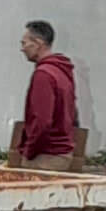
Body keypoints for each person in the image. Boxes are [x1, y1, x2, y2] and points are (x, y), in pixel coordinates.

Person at [10, 20, 81, 164]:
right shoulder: (62, 70)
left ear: (38, 43)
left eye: (24, 43)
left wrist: (29, 152)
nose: (22, 49)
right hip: (62, 154)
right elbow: (73, 112)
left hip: (45, 156)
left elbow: (42, 120)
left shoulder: (43, 75)